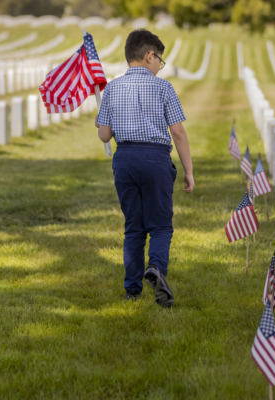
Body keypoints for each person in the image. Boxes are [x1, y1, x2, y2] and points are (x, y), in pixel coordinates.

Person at [95, 29, 194, 308]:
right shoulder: (163, 88)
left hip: (124, 158)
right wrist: (188, 170)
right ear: (150, 55)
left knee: (134, 228)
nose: (159, 67)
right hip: (155, 158)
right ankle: (157, 269)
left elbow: (104, 135)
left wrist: (101, 118)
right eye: (159, 61)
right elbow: (179, 133)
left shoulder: (111, 89)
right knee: (161, 226)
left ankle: (132, 290)